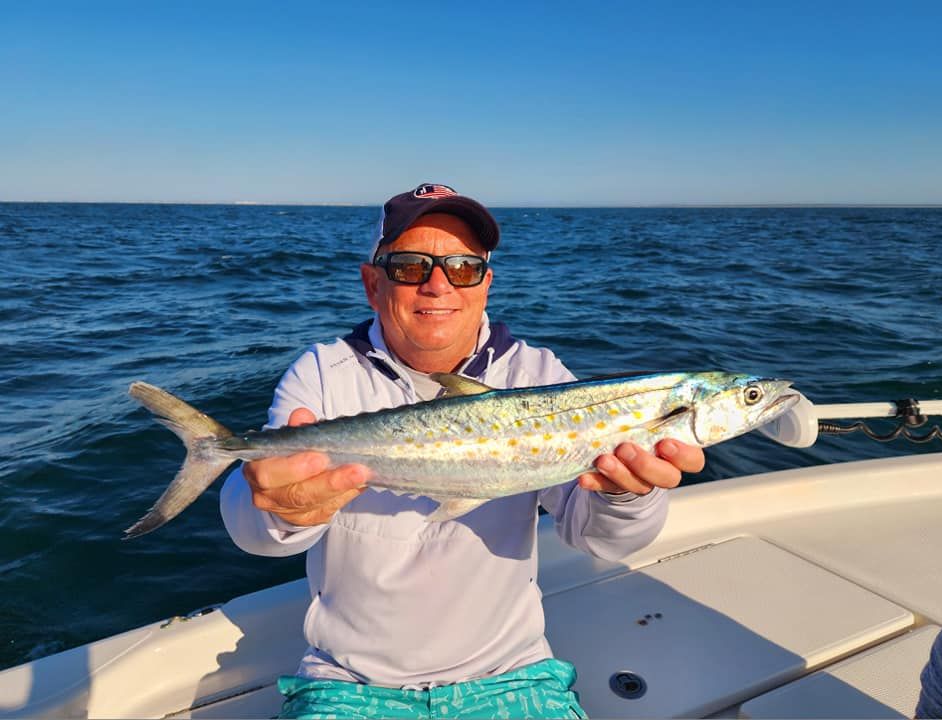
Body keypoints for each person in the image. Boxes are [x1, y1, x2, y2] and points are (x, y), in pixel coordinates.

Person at [220, 183, 705, 719]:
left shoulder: (536, 377)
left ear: (486, 284)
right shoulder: (323, 375)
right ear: (371, 283)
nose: (437, 285)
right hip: (349, 682)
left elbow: (601, 541)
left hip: (512, 674)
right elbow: (256, 531)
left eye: (462, 268)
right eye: (409, 266)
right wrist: (279, 509)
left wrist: (627, 497)